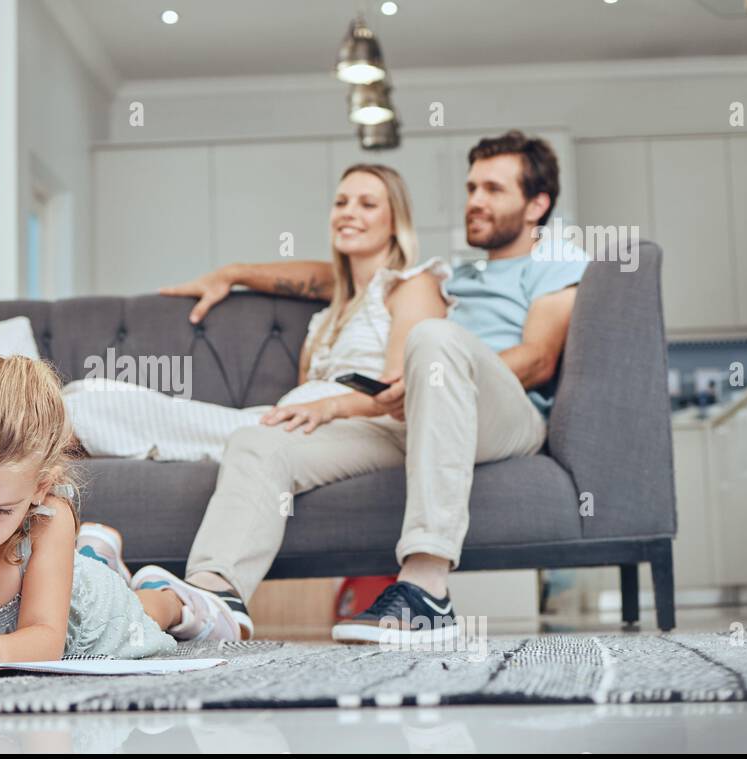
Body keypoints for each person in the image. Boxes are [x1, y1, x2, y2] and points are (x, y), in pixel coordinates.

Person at [159, 131, 589, 644]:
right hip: (418, 415)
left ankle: (427, 590)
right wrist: (235, 272)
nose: (474, 200)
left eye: (493, 190)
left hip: (503, 418)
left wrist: (428, 375)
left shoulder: (555, 260)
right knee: (259, 440)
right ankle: (215, 595)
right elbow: (336, 277)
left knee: (433, 338)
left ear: (537, 204)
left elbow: (539, 359)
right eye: (472, 187)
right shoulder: (456, 276)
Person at [65, 164, 449, 640]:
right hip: (301, 421)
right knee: (92, 397)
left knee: (108, 410)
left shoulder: (413, 284)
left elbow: (400, 388)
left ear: (397, 222)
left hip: (367, 424)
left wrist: (327, 408)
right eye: (341, 202)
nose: (349, 213)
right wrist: (232, 274)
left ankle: (204, 594)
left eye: (368, 204)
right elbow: (308, 276)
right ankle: (101, 583)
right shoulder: (338, 299)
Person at [0, 354, 264, 678]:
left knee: (139, 613)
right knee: (83, 571)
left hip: (91, 622)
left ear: (38, 489)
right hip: (59, 578)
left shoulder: (48, 519)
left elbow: (46, 637)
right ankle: (95, 553)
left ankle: (174, 597)